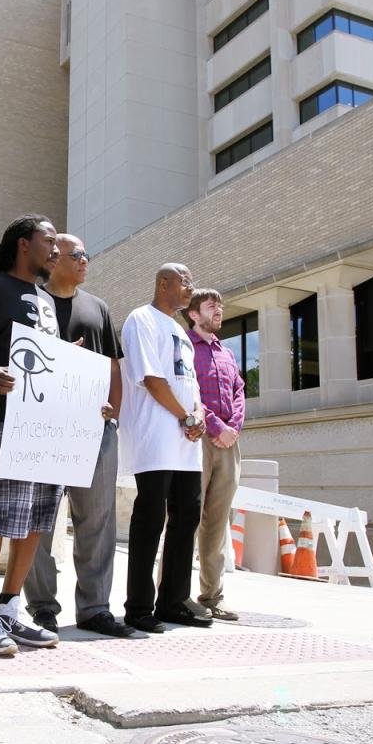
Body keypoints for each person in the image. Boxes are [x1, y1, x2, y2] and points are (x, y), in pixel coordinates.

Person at [0, 214, 64, 655]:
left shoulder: (47, 299)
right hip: (4, 419)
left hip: (47, 425)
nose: (56, 249)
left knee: (39, 517)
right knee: (0, 513)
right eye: (49, 240)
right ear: (23, 244)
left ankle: (8, 607)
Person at [23, 233, 135, 638]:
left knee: (98, 521)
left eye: (88, 254)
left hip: (96, 431)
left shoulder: (98, 308)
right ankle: (41, 607)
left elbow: (113, 367)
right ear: (55, 259)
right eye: (78, 255)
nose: (86, 260)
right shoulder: (33, 303)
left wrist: (114, 414)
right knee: (40, 521)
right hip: (48, 427)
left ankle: (95, 608)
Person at [118, 263, 213, 633]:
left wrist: (199, 416)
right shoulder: (140, 319)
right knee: (151, 518)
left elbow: (192, 383)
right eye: (185, 281)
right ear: (163, 283)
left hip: (186, 440)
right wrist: (185, 417)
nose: (191, 286)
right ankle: (138, 607)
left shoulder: (180, 330)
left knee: (187, 515)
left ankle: (173, 601)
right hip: (157, 436)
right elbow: (152, 379)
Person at [183, 289, 246, 622]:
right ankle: (172, 595)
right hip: (198, 441)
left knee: (218, 524)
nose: (218, 310)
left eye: (219, 305)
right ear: (194, 314)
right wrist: (215, 426)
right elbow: (187, 392)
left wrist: (233, 426)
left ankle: (212, 596)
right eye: (211, 306)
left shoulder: (227, 352)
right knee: (185, 520)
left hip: (228, 443)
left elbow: (239, 391)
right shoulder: (186, 348)